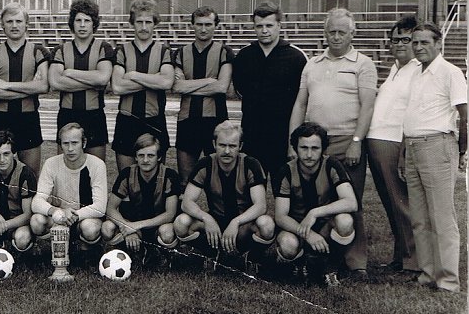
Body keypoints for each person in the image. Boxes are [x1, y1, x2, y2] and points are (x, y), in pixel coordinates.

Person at [288, 7, 376, 278]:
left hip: (346, 140)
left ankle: (355, 261)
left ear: (352, 33)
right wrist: (293, 142)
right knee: (316, 198)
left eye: (342, 32)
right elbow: (300, 103)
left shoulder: (363, 63)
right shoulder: (312, 64)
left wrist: (357, 141)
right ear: (324, 33)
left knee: (350, 201)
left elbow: (367, 107)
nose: (336, 37)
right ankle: (315, 255)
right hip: (314, 144)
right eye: (331, 31)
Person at [403, 23, 467, 293]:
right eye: (415, 43)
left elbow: (465, 114)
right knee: (419, 217)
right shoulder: (416, 73)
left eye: (424, 43)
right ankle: (428, 273)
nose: (418, 47)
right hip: (414, 146)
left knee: (441, 216)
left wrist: (462, 151)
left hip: (438, 145)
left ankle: (448, 280)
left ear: (438, 43)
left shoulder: (451, 72)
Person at [173, 121, 274, 267]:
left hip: (243, 225)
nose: (227, 151)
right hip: (216, 222)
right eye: (222, 145)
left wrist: (236, 222)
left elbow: (260, 206)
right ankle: (211, 253)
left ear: (240, 146)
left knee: (267, 224)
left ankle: (252, 258)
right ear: (214, 144)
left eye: (232, 146)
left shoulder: (251, 164)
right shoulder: (205, 163)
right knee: (181, 222)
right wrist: (206, 218)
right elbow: (186, 202)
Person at [364, 15, 418, 273]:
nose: (399, 44)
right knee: (391, 204)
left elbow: (414, 114)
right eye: (395, 39)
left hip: (394, 141)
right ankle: (400, 256)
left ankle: (412, 261)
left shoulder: (418, 70)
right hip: (377, 141)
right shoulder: (396, 69)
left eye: (406, 39)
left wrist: (405, 152)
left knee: (402, 203)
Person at [273, 122, 357, 286]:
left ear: (323, 149)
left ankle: (330, 268)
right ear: (295, 148)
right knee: (288, 245)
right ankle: (299, 265)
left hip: (325, 227)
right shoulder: (286, 171)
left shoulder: (331, 165)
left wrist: (315, 213)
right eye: (304, 148)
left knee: (345, 221)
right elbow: (280, 216)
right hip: (297, 228)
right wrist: (307, 234)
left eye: (315, 148)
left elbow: (351, 202)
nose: (309, 154)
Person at [232, 1, 306, 177]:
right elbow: (240, 89)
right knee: (251, 188)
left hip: (282, 136)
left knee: (285, 189)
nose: (264, 30)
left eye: (269, 25)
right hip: (252, 134)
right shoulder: (244, 56)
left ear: (279, 25)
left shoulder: (296, 56)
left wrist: (292, 140)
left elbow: (302, 98)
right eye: (259, 26)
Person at [0, 2, 49, 175]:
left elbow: (43, 86)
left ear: (26, 24)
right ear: (2, 25)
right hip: (1, 118)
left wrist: (7, 85)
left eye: (19, 21)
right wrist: (29, 88)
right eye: (9, 21)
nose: (14, 25)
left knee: (31, 174)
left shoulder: (38, 52)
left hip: (29, 119)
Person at [172, 6, 235, 185]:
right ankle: (185, 213)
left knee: (219, 178)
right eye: (199, 24)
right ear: (192, 25)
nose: (203, 28)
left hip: (216, 122)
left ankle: (219, 213)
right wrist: (208, 81)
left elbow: (222, 87)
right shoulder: (180, 52)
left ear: (216, 26)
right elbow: (177, 87)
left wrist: (189, 86)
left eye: (208, 24)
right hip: (187, 120)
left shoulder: (225, 51)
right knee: (185, 180)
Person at [111, 0, 174, 174]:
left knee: (156, 181)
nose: (144, 27)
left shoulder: (164, 51)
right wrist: (154, 80)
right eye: (139, 22)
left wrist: (134, 75)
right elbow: (117, 87)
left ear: (155, 24)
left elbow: (167, 82)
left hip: (154, 120)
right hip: (127, 120)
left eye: (148, 22)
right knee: (127, 178)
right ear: (132, 23)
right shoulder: (121, 51)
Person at [48, 0, 114, 161]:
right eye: (78, 20)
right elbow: (56, 82)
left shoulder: (104, 48)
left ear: (94, 24)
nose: (82, 25)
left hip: (95, 115)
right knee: (65, 170)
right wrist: (92, 80)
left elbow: (103, 78)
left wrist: (70, 72)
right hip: (67, 115)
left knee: (95, 169)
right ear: (72, 23)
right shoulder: (60, 50)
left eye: (87, 20)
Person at [102, 133, 180, 263]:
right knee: (107, 227)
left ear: (159, 157)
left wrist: (137, 226)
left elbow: (170, 214)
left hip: (157, 226)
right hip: (131, 224)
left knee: (167, 232)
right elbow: (111, 208)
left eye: (150, 155)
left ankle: (161, 254)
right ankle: (126, 250)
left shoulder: (169, 175)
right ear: (136, 157)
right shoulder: (127, 174)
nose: (145, 160)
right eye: (141, 155)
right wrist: (126, 227)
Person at [31, 123, 107, 250]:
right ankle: (58, 247)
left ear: (84, 143)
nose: (70, 148)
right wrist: (56, 212)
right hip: (58, 218)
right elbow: (37, 202)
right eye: (66, 143)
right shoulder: (51, 163)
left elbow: (100, 207)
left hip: (83, 218)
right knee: (36, 221)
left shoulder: (97, 164)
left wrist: (74, 215)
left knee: (90, 228)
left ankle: (86, 249)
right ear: (61, 145)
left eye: (74, 143)